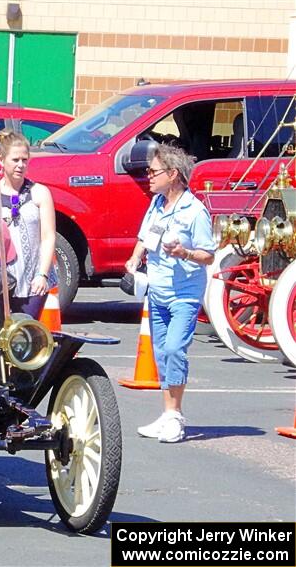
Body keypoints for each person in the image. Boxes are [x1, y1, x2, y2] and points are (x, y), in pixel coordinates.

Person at [125, 144, 215, 443]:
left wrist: (184, 252)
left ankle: (176, 415)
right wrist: (135, 258)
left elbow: (208, 255)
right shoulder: (156, 204)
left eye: (153, 171)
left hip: (184, 293)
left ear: (173, 174)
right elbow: (146, 236)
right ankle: (167, 414)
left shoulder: (194, 211)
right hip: (158, 289)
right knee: (162, 353)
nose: (147, 176)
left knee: (175, 349)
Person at [0, 129, 57, 368]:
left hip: (31, 282)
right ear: (1, 160)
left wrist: (42, 275)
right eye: (15, 160)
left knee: (21, 343)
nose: (21, 165)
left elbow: (48, 236)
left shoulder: (39, 193)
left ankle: (17, 393)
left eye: (25, 160)